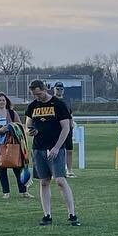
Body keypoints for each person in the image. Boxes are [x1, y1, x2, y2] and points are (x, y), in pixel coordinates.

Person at [23, 79, 78, 228]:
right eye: (34, 94)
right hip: (39, 148)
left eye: (39, 93)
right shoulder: (33, 106)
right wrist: (30, 131)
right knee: (44, 181)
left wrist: (57, 147)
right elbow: (28, 125)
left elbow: (66, 128)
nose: (37, 97)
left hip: (56, 148)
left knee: (60, 180)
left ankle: (72, 214)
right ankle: (47, 215)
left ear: (45, 89)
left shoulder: (58, 105)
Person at [0, 91, 29, 198]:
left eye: (3, 100)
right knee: (2, 168)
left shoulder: (12, 113)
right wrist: (1, 131)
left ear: (6, 102)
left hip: (12, 144)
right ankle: (6, 192)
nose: (1, 102)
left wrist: (12, 127)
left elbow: (20, 126)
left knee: (17, 167)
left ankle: (23, 191)